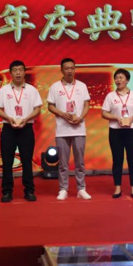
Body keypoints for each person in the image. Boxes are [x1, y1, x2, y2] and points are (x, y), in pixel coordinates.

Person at [0, 60, 42, 202]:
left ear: (24, 72)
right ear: (11, 73)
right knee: (7, 162)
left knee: (27, 161)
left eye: (21, 70)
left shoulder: (32, 90)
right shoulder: (4, 90)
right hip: (8, 128)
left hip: (26, 128)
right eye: (15, 70)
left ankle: (29, 190)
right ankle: (7, 192)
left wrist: (26, 119)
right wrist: (9, 118)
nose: (18, 73)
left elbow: (37, 109)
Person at [47, 58, 91, 201]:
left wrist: (80, 117)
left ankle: (81, 189)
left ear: (75, 69)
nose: (69, 71)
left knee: (80, 162)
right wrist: (63, 114)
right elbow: (50, 106)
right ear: (61, 70)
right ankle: (63, 189)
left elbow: (87, 105)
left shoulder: (82, 86)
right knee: (63, 163)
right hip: (62, 130)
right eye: (66, 68)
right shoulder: (55, 87)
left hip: (79, 129)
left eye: (72, 68)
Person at [101, 68, 133, 198]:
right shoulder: (110, 96)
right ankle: (117, 187)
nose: (118, 80)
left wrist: (132, 118)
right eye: (116, 78)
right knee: (117, 160)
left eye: (121, 77)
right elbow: (104, 113)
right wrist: (116, 118)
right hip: (116, 131)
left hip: (132, 131)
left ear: (127, 80)